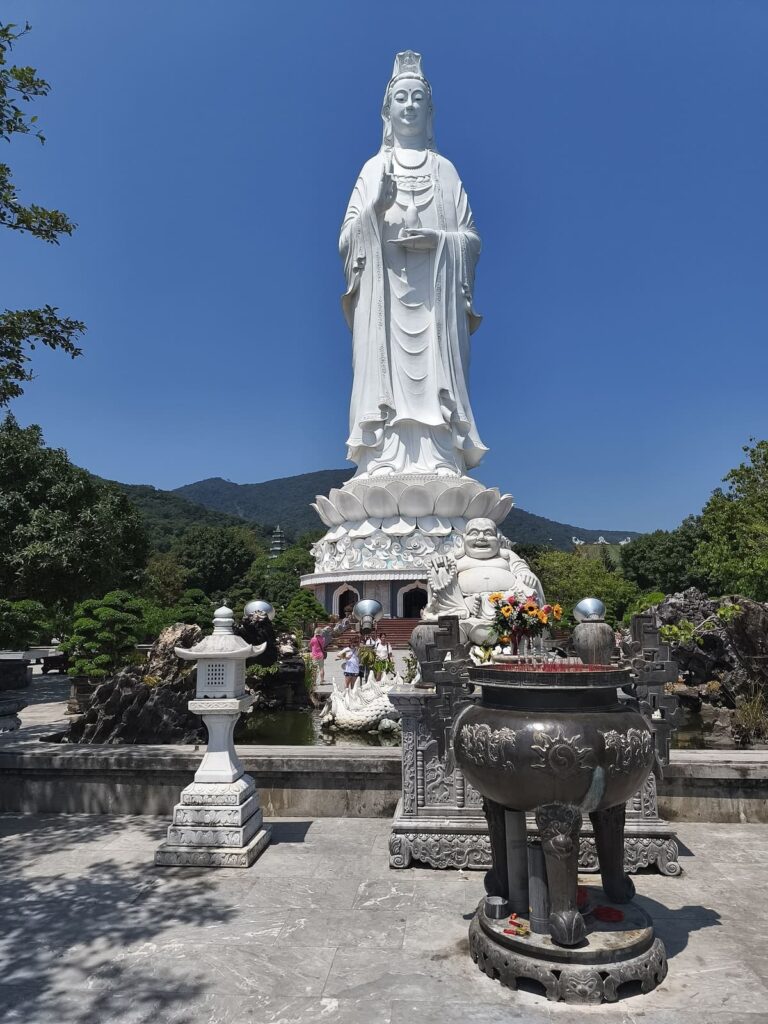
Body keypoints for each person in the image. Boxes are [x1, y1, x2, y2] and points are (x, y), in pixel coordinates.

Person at [340, 50, 487, 479]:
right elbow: (347, 239)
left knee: (438, 372)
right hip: (384, 299)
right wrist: (373, 211)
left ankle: (442, 455)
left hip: (435, 299)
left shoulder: (445, 171)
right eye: (400, 97)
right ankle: (382, 455)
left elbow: (471, 239)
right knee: (382, 376)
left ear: (429, 109)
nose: (408, 105)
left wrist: (439, 241)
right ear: (386, 111)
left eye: (416, 98)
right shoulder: (373, 168)